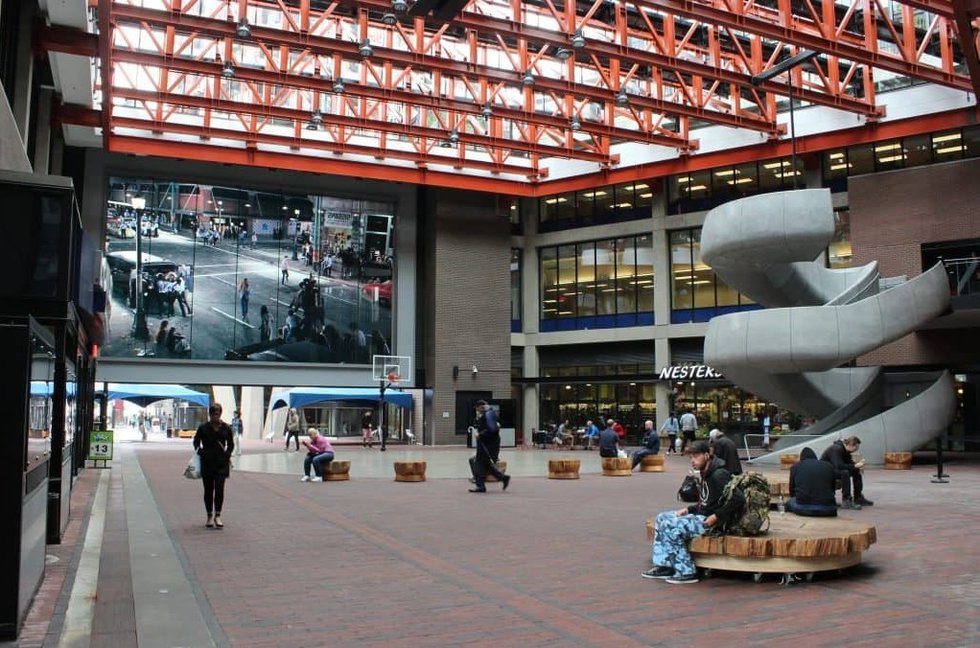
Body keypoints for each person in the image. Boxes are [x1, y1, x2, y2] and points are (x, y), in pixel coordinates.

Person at [641, 441, 745, 584]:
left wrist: (716, 516)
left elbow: (738, 498)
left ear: (707, 455)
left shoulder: (718, 474)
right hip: (702, 515)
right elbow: (707, 501)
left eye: (696, 456)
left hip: (712, 522)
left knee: (671, 526)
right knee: (662, 518)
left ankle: (686, 571)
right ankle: (665, 565)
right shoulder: (706, 472)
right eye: (691, 457)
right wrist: (688, 509)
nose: (692, 461)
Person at [193, 404, 235, 529]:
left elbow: (231, 444)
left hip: (221, 463)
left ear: (220, 414)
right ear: (210, 414)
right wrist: (201, 452)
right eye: (213, 413)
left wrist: (227, 454)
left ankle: (218, 515)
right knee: (208, 490)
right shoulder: (203, 428)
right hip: (207, 463)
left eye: (217, 413)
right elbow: (196, 442)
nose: (215, 415)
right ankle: (209, 516)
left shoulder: (226, 428)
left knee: (220, 488)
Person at [820, 436, 873, 509]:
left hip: (833, 470)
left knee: (856, 471)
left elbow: (849, 463)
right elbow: (838, 465)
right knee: (844, 473)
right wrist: (855, 465)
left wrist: (856, 466)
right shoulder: (836, 449)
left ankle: (858, 497)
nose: (856, 450)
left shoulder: (846, 450)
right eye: (855, 448)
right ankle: (846, 500)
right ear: (851, 445)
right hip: (825, 472)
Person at [469, 400, 510, 493]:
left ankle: (480, 486)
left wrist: (480, 435)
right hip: (489, 444)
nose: (477, 411)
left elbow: (491, 429)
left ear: (481, 407)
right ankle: (503, 478)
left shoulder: (488, 414)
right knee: (486, 465)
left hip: (487, 445)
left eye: (477, 408)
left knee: (479, 463)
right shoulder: (489, 413)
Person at [786, 447, 838, 517]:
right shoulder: (828, 466)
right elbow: (833, 488)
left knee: (789, 502)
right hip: (828, 508)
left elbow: (792, 490)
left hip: (803, 507)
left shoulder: (796, 467)